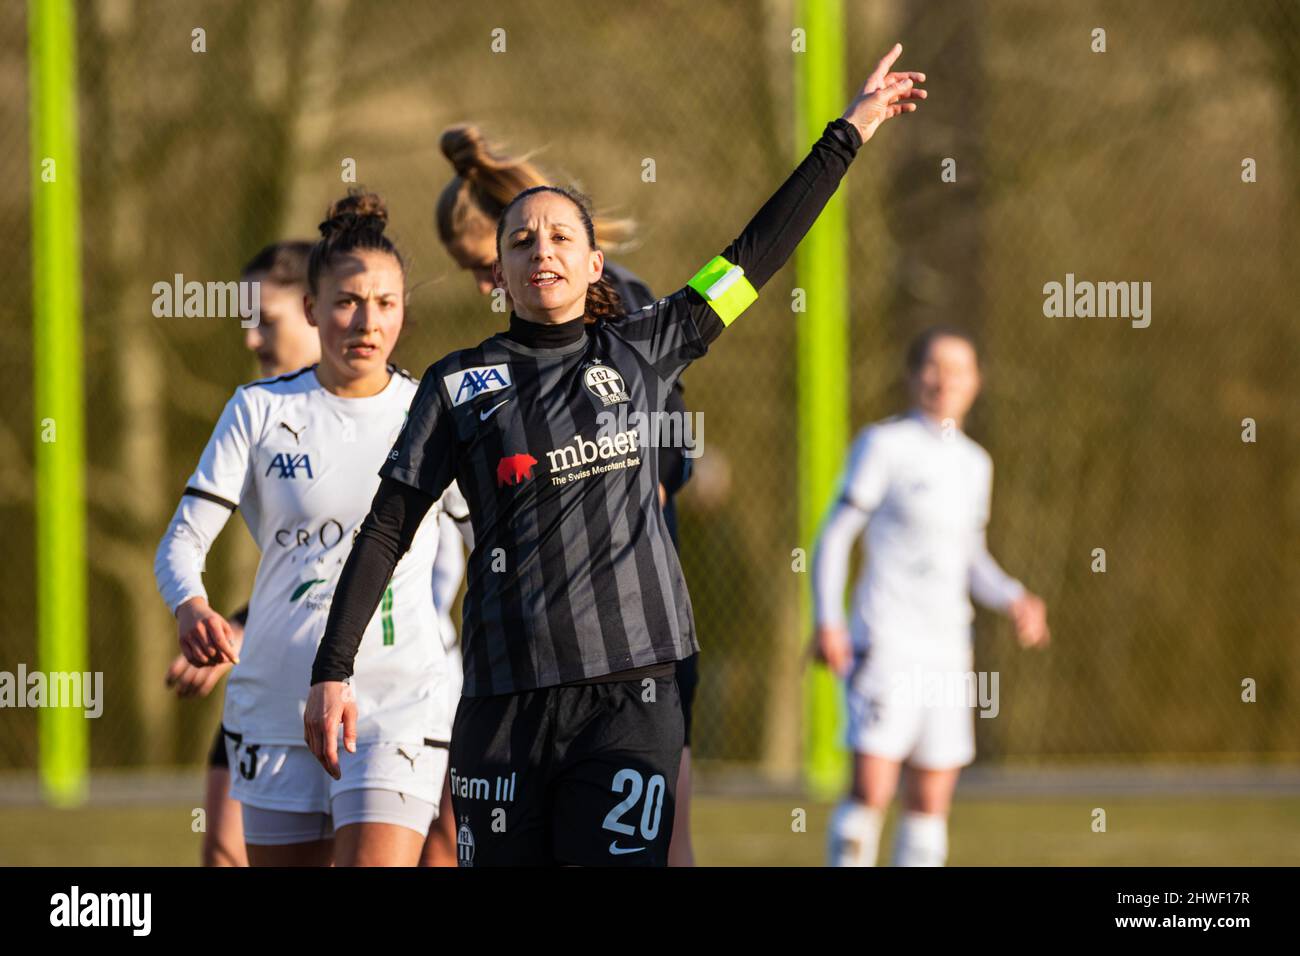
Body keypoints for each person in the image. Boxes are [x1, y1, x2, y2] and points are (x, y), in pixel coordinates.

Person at [307, 43, 926, 866]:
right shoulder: (458, 386)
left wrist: (850, 130)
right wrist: (332, 668)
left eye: (562, 236)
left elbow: (756, 253)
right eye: (523, 241)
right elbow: (386, 528)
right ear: (500, 271)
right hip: (502, 705)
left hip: (631, 698)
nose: (543, 251)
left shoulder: (651, 344)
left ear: (596, 263)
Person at [156, 193, 465, 866]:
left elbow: (486, 536)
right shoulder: (259, 411)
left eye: (386, 302)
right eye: (349, 301)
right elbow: (182, 541)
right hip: (277, 698)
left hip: (396, 698)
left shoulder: (434, 413)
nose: (368, 320)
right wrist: (191, 605)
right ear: (312, 309)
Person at [431, 123, 697, 864]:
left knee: (657, 832)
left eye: (484, 264)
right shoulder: (471, 375)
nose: (488, 284)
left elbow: (671, 447)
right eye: (479, 272)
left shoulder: (625, 318)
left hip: (630, 636)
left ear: (587, 261)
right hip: (523, 662)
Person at [813, 326, 1050, 867]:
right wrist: (829, 621)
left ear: (976, 382)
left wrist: (1015, 598)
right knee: (872, 792)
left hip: (948, 651)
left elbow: (971, 557)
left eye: (958, 369)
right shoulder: (884, 445)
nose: (945, 380)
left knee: (929, 803)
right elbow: (836, 534)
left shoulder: (975, 464)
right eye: (934, 367)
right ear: (914, 376)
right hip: (887, 642)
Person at [162, 240, 318, 867]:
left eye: (266, 321)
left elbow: (366, 574)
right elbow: (307, 562)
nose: (252, 339)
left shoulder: (399, 415)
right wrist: (231, 623)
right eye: (245, 323)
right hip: (272, 677)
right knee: (225, 853)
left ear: (317, 309)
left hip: (394, 690)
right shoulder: (254, 412)